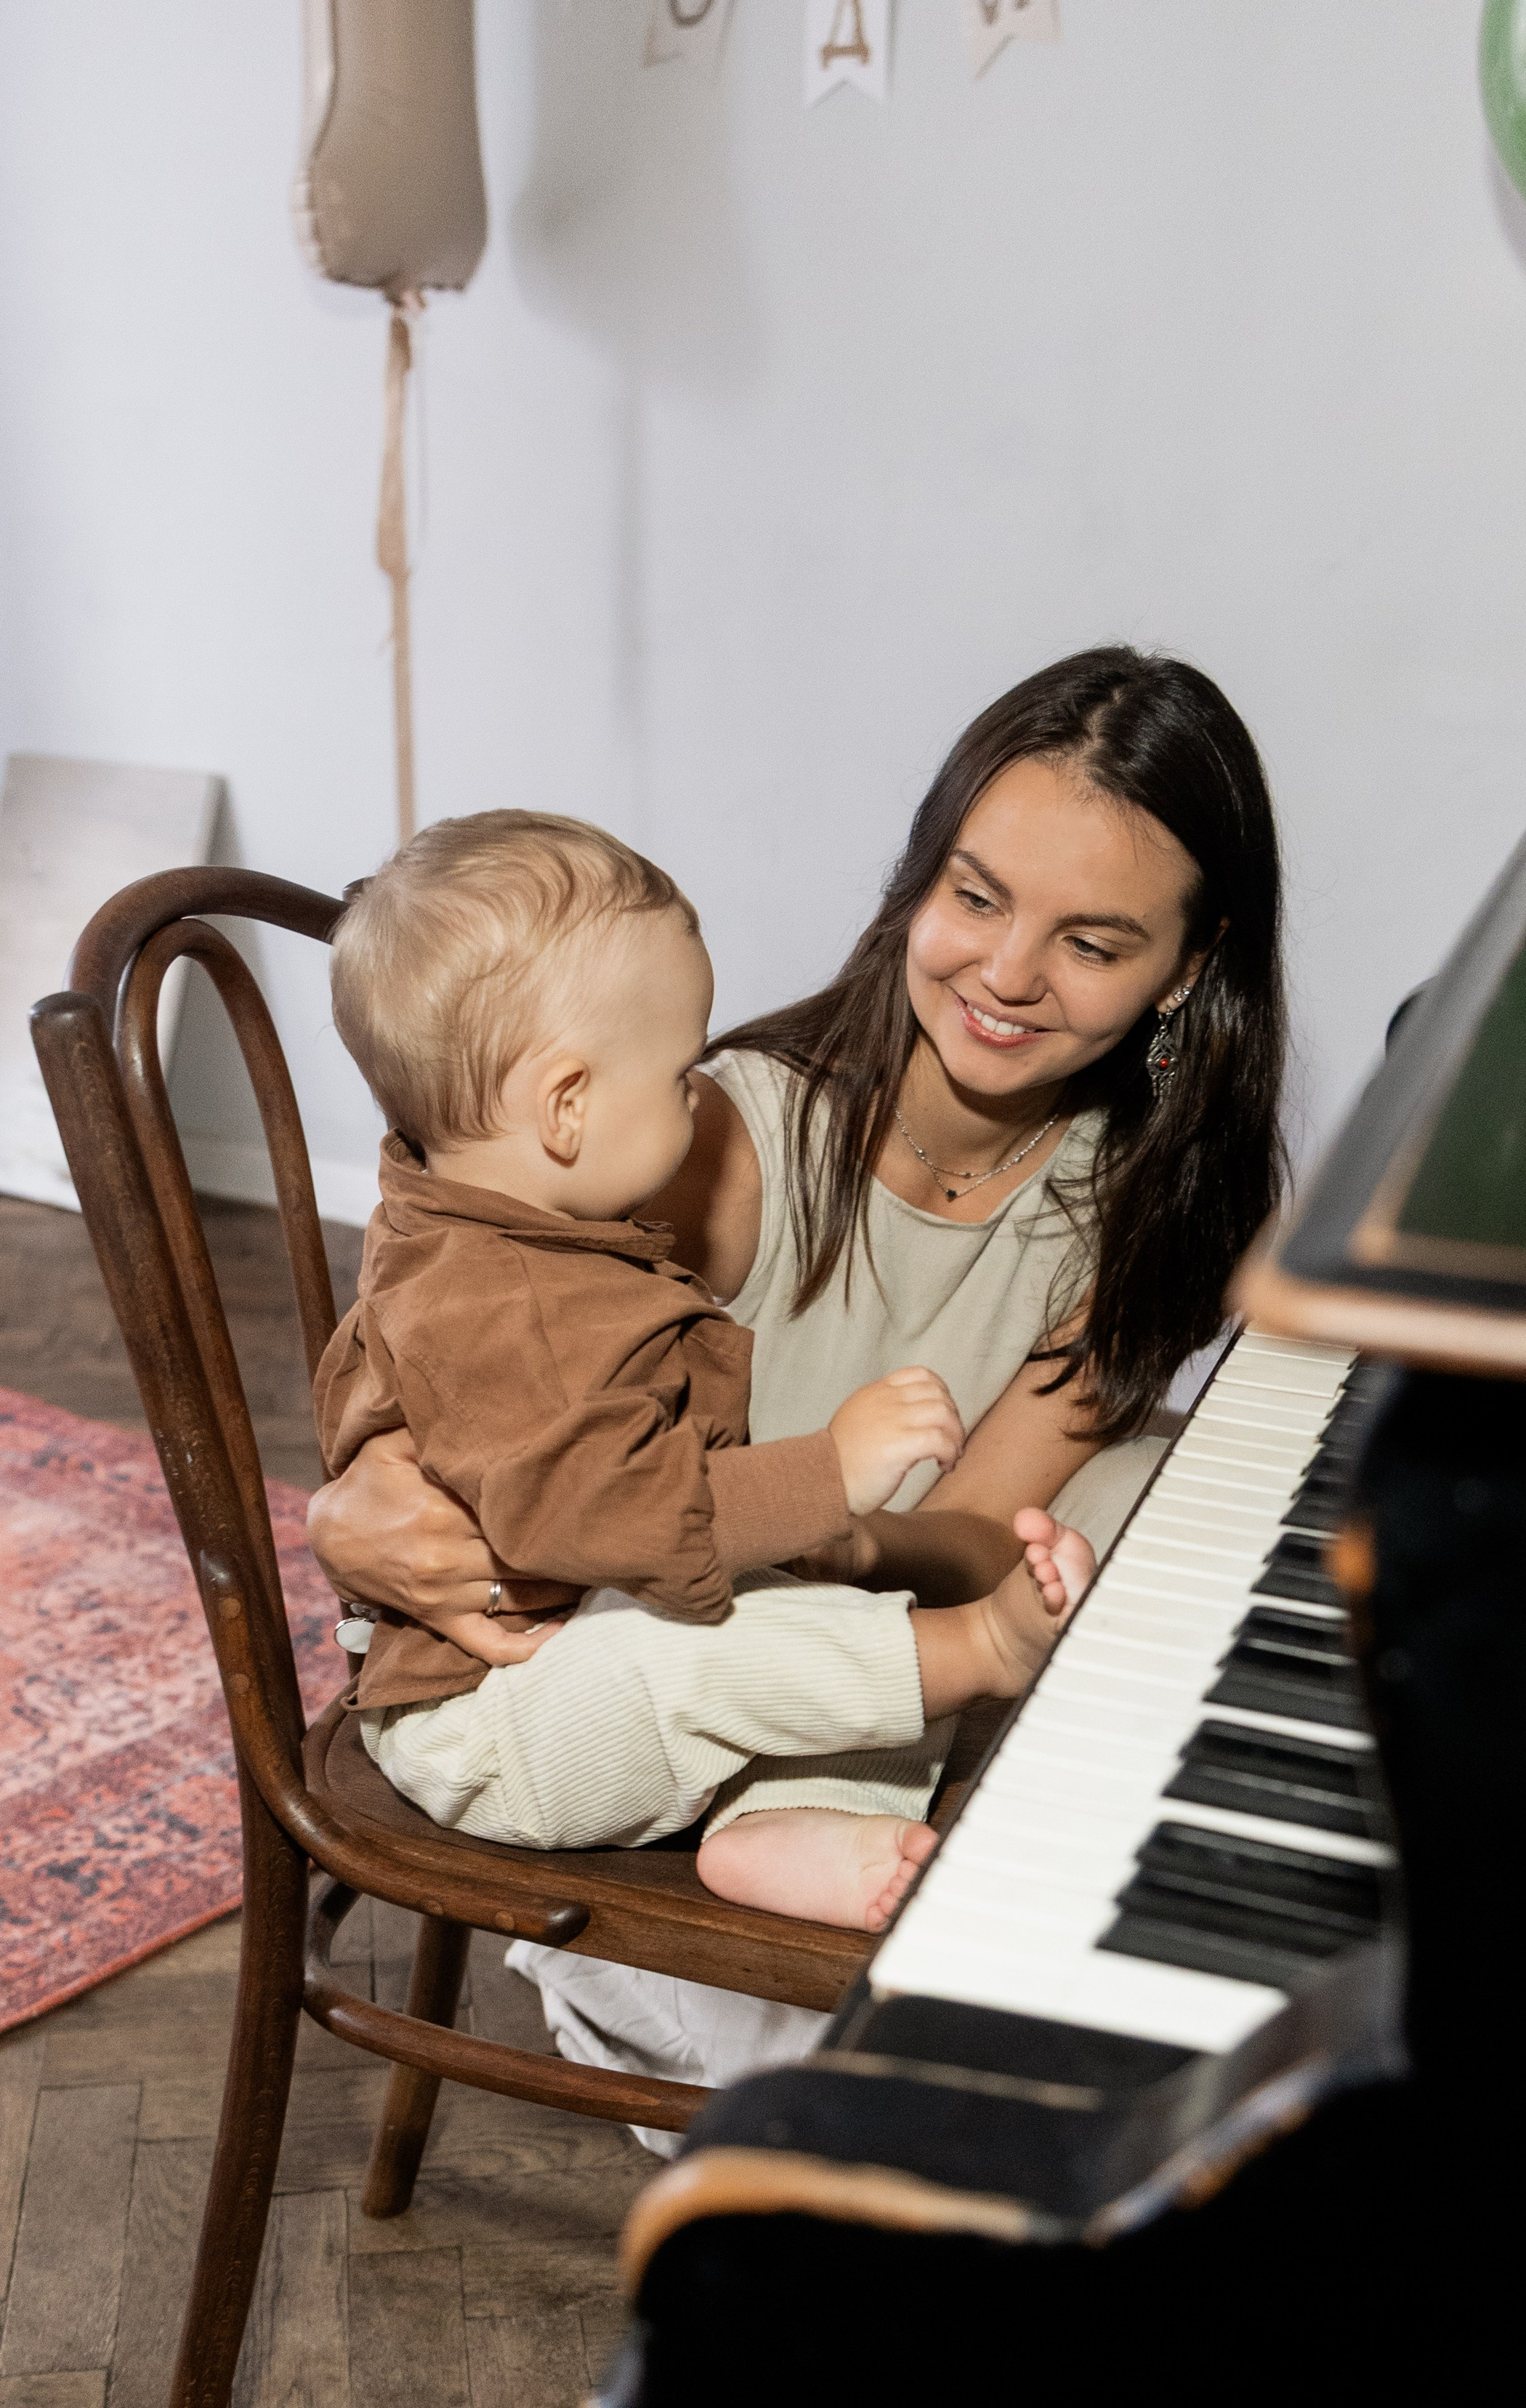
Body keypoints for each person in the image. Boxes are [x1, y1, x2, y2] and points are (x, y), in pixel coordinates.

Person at [308, 643, 1287, 2113]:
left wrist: (839, 1539)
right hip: (640, 1654)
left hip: (856, 1642)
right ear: (917, 881)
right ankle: (668, 1996)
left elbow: (972, 1536)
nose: (1007, 974)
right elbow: (463, 1326)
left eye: (1091, 943)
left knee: (1171, 1495)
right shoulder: (708, 1143)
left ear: (1187, 971)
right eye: (975, 897)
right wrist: (352, 1500)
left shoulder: (1150, 1211)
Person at [318, 809, 1095, 1931]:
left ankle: (786, 1825)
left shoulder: (502, 1225)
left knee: (826, 1621)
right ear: (568, 1107)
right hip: (487, 1723)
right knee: (747, 1649)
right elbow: (613, 1512)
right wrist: (831, 1469)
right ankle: (978, 1653)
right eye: (682, 1074)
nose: (702, 1094)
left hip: (579, 1639)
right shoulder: (497, 1297)